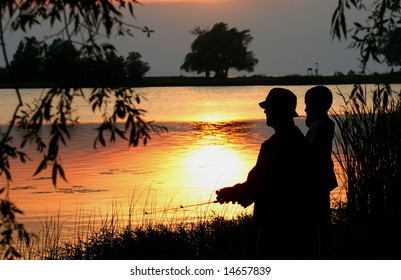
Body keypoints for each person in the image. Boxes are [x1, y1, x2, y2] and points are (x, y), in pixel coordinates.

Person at [216, 88, 319, 259]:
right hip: (299, 222)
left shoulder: (272, 146)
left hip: (276, 225)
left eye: (268, 107)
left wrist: (232, 193)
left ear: (278, 111)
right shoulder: (299, 140)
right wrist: (235, 192)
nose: (265, 111)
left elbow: (258, 185)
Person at [304, 85, 338, 259]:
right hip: (322, 179)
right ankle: (322, 253)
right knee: (321, 220)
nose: (305, 109)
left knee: (318, 222)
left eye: (308, 105)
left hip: (317, 181)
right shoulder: (323, 124)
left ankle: (321, 255)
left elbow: (311, 154)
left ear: (317, 106)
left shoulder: (320, 126)